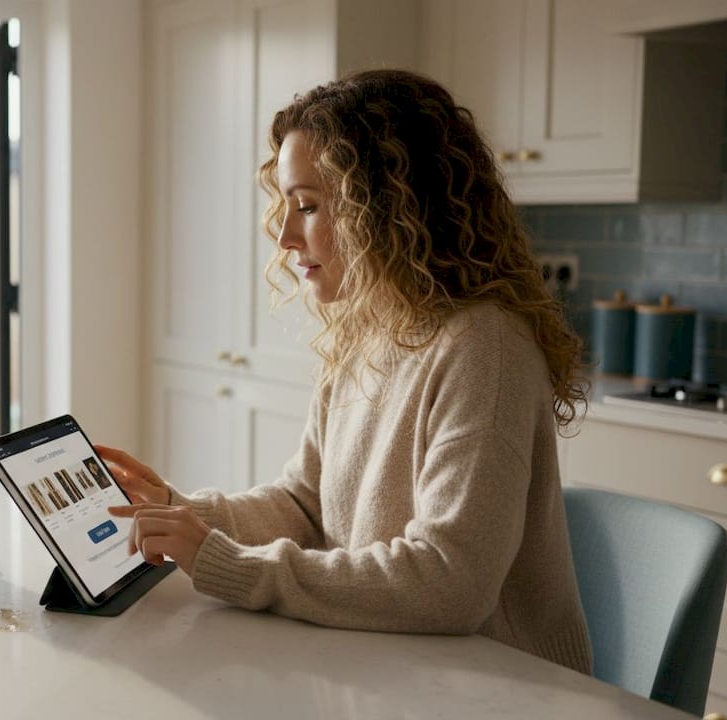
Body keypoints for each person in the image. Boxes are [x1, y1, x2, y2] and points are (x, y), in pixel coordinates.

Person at [103, 68, 593, 674]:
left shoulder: (482, 347)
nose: (284, 236)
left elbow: (450, 581)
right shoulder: (364, 331)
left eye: (307, 206)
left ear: (388, 207)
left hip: (505, 688)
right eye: (286, 206)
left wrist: (227, 563)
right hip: (392, 666)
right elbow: (307, 506)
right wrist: (185, 517)